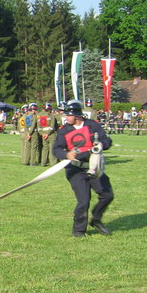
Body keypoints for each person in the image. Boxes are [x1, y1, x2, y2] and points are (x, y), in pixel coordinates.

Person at [52, 99, 114, 238]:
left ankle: (96, 219)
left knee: (107, 194)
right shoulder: (64, 131)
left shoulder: (93, 126)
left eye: (68, 115)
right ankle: (79, 230)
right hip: (75, 170)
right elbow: (56, 149)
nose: (66, 117)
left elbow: (107, 141)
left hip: (94, 167)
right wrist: (66, 154)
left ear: (77, 116)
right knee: (84, 200)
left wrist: (101, 145)